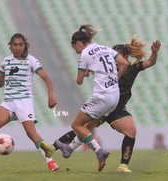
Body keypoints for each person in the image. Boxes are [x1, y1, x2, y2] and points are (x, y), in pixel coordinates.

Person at [52, 36, 161, 173]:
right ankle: (54, 147)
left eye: (117, 56)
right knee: (83, 127)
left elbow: (151, 62)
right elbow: (90, 70)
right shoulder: (107, 68)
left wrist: (154, 53)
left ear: (126, 57)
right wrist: (86, 72)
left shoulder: (133, 68)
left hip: (118, 109)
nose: (113, 60)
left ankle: (123, 165)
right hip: (104, 106)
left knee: (131, 131)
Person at [0, 33, 59, 172]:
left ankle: (51, 162)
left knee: (31, 133)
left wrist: (51, 96)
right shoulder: (6, 61)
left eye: (21, 45)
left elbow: (46, 78)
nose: (18, 47)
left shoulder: (31, 60)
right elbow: (0, 83)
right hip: (8, 102)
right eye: (15, 45)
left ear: (25, 46)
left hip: (24, 102)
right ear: (10, 46)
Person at [50, 24, 129, 172]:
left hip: (101, 97)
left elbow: (79, 81)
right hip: (114, 97)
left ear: (78, 43)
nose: (76, 51)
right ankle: (69, 149)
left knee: (76, 125)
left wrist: (85, 71)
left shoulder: (84, 54)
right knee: (88, 127)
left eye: (75, 48)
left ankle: (100, 151)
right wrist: (116, 78)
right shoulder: (105, 48)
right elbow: (125, 63)